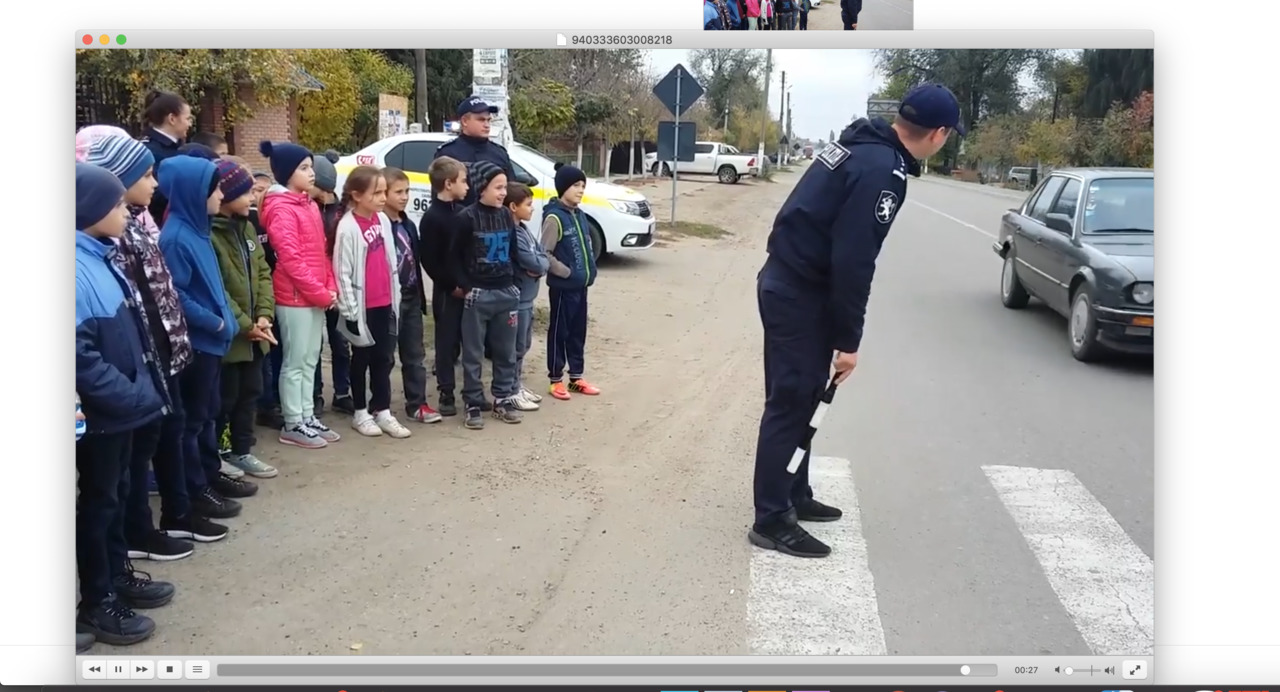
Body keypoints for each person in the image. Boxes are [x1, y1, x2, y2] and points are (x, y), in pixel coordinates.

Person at [749, 83, 963, 558]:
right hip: (799, 294)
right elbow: (854, 260)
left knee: (804, 398)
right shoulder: (882, 171)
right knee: (790, 401)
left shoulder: (859, 145)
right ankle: (770, 517)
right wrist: (849, 340)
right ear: (939, 133)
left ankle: (794, 493)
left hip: (793, 283)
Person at [83, 130, 211, 561]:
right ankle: (140, 532)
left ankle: (170, 515)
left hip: (160, 356)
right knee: (129, 465)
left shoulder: (138, 223)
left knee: (165, 434)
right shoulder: (110, 238)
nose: (154, 184)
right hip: (136, 365)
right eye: (146, 174)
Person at [75, 162, 173, 645]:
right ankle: (97, 600)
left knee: (112, 497)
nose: (126, 210)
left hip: (123, 409)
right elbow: (79, 356)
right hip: (102, 413)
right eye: (116, 204)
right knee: (98, 504)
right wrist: (132, 394)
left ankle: (116, 575)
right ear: (90, 210)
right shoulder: (72, 267)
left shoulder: (102, 254)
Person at [158, 155, 258, 518]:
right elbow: (177, 295)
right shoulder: (176, 237)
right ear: (193, 193)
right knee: (195, 419)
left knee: (209, 414)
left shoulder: (199, 229)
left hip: (215, 343)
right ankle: (195, 488)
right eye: (214, 188)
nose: (220, 194)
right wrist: (217, 323)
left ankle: (210, 474)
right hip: (199, 344)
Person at [258, 140, 342, 449]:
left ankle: (307, 416)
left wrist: (329, 286)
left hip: (314, 295)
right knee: (294, 362)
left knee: (309, 359)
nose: (311, 173)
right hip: (293, 298)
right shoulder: (282, 209)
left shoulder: (306, 204)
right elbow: (290, 259)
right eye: (304, 168)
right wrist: (321, 293)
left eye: (310, 167)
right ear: (285, 173)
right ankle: (293, 421)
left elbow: (321, 252)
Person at [210, 158, 280, 479]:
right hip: (233, 336)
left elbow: (263, 271)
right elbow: (218, 290)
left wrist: (264, 314)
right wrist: (245, 325)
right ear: (224, 196)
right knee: (226, 398)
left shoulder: (248, 226)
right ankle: (221, 451)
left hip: (257, 331)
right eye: (246, 192)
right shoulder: (211, 235)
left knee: (250, 391)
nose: (253, 199)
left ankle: (242, 451)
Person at [330, 166, 411, 438]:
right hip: (361, 308)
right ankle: (360, 411)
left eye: (383, 192)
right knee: (361, 358)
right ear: (356, 194)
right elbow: (342, 271)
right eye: (376, 193)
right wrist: (351, 311)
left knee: (384, 357)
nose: (381, 198)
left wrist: (395, 294)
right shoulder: (348, 227)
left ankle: (383, 410)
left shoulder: (382, 221)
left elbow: (389, 260)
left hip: (384, 303)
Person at [450, 161, 522, 429]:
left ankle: (502, 398)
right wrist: (466, 285)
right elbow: (454, 256)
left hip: (506, 293)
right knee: (473, 352)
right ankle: (472, 401)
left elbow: (513, 251)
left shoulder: (505, 216)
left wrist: (514, 282)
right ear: (482, 187)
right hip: (478, 295)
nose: (503, 193)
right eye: (498, 187)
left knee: (505, 351)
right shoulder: (466, 218)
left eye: (505, 187)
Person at [382, 167, 443, 424]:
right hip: (386, 300)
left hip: (410, 296)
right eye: (398, 192)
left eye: (407, 191)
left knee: (414, 355)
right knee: (384, 357)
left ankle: (417, 403)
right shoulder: (378, 225)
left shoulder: (408, 224)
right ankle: (379, 407)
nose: (405, 196)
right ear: (381, 194)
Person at [541, 165, 601, 401]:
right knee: (559, 332)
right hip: (564, 288)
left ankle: (576, 377)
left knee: (578, 332)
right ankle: (555, 379)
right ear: (563, 187)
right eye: (576, 185)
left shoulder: (580, 215)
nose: (580, 190)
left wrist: (589, 270)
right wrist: (565, 272)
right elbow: (544, 253)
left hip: (581, 286)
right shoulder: (554, 218)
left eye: (583, 186)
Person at [419, 156, 470, 417]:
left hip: (468, 288)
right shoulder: (432, 218)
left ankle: (472, 392)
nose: (468, 186)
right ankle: (446, 392)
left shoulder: (463, 212)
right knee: (446, 341)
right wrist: (451, 285)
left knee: (469, 339)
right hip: (447, 291)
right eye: (463, 181)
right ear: (448, 184)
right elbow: (430, 260)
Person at [310, 149, 354, 416]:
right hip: (315, 287)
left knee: (340, 343)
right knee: (314, 345)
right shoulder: (306, 209)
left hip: (338, 287)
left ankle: (342, 391)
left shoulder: (341, 213)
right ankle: (315, 393)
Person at [507, 182, 549, 410]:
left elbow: (541, 256)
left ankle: (517, 383)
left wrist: (540, 265)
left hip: (528, 298)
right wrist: (539, 264)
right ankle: (510, 389)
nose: (532, 208)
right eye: (528, 204)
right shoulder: (513, 232)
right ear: (513, 206)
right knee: (515, 346)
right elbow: (530, 260)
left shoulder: (524, 229)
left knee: (524, 344)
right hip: (518, 298)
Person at [433, 96, 515, 206]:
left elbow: (512, 192)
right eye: (481, 120)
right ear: (464, 121)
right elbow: (440, 198)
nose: (486, 125)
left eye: (488, 120)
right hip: (458, 220)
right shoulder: (448, 153)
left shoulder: (499, 153)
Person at [138, 90, 193, 221]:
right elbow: (156, 195)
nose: (190, 124)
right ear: (172, 119)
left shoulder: (178, 147)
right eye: (187, 119)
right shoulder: (148, 150)